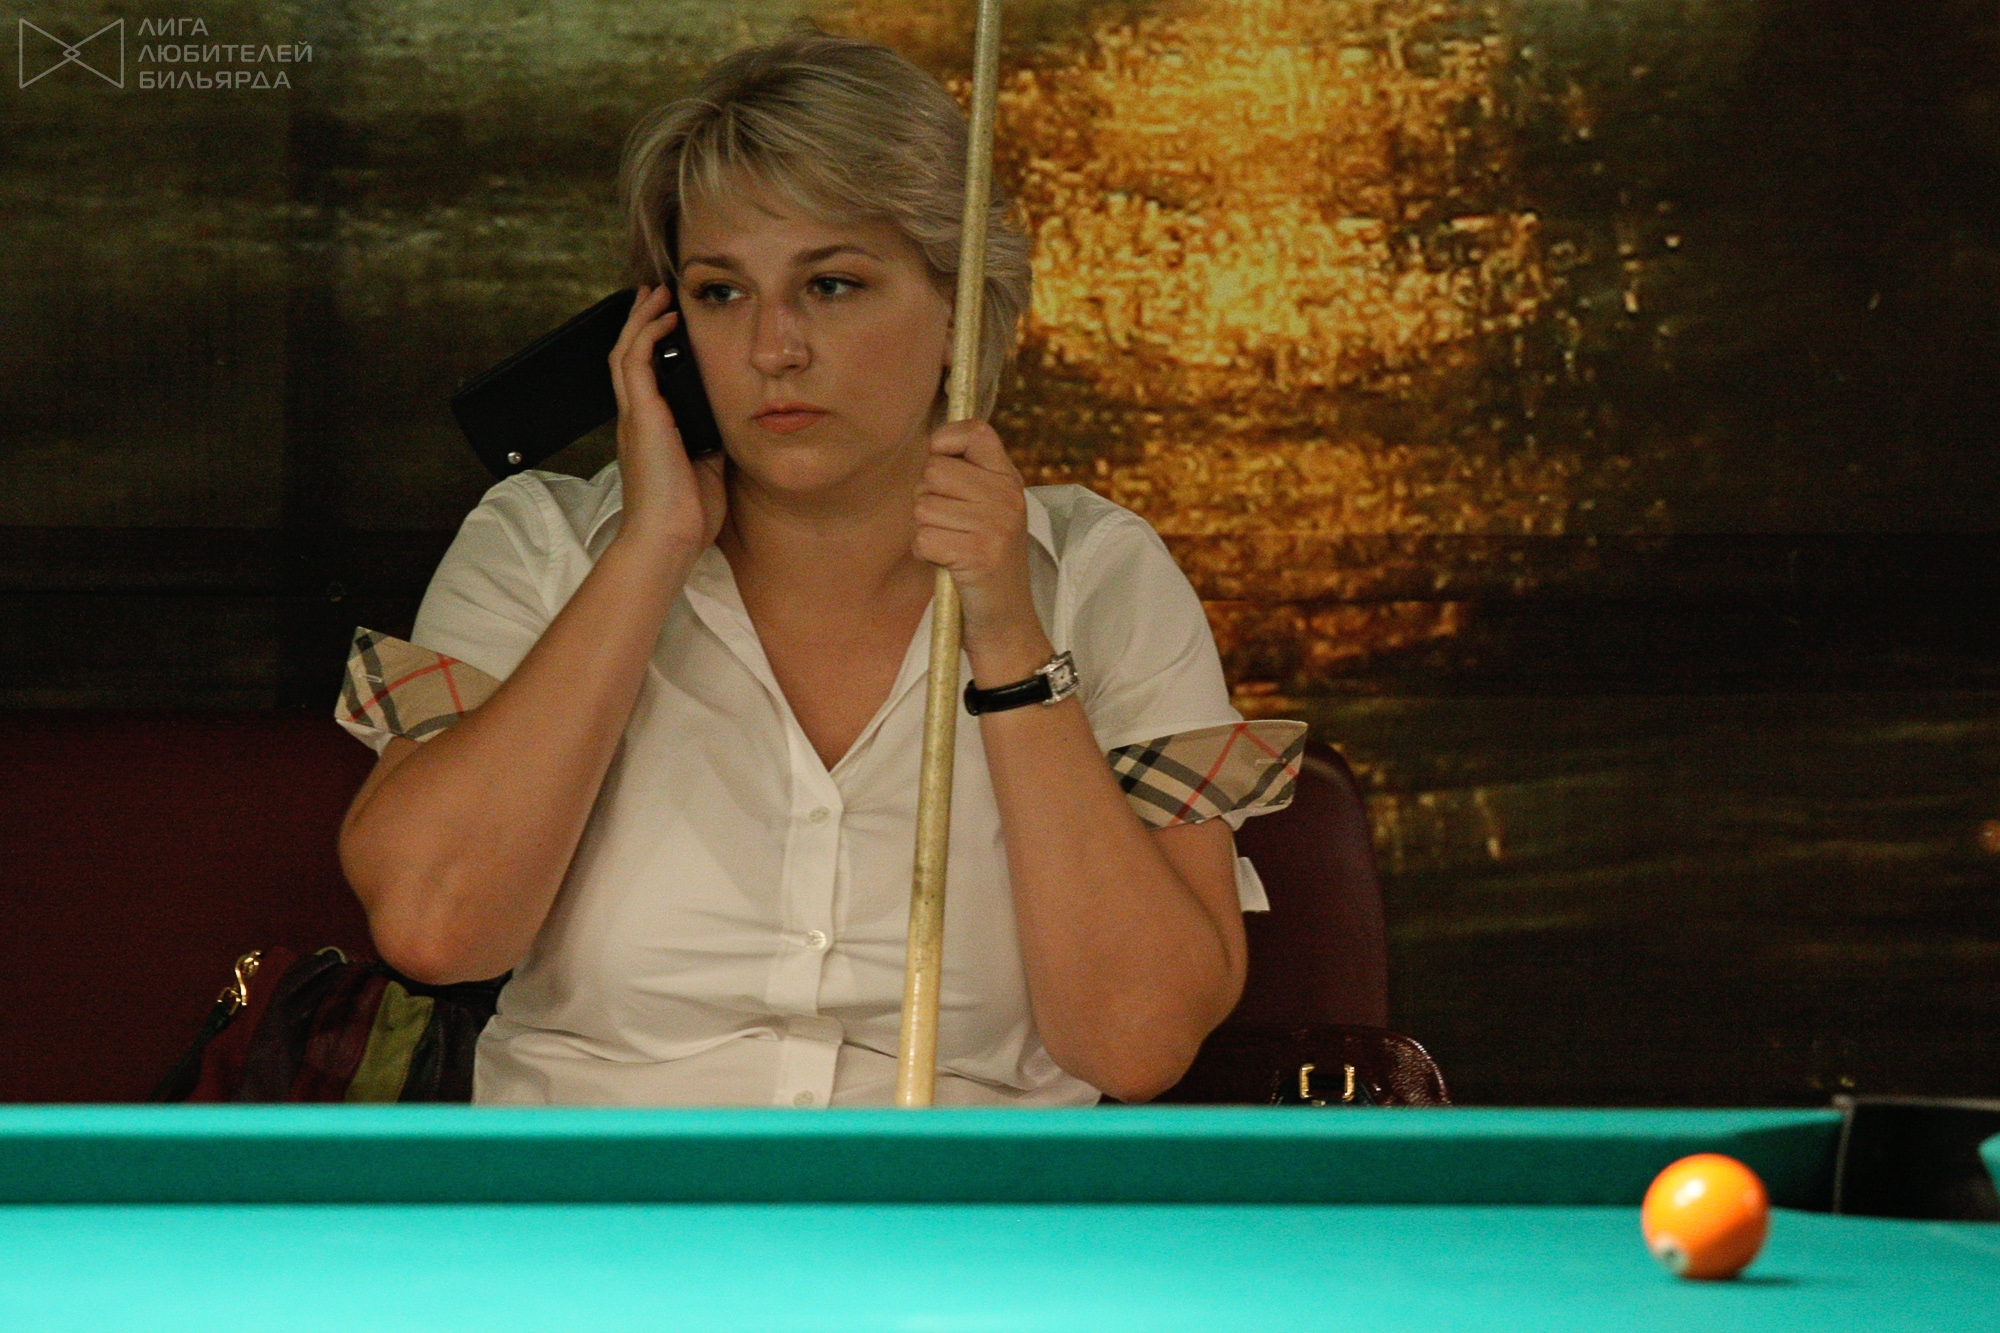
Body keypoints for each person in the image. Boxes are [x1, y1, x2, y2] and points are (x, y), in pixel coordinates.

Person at [334, 25, 1305, 1108]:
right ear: (661, 330)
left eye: (831, 284)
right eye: (721, 292)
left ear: (958, 306)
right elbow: (436, 928)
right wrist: (648, 552)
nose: (773, 348)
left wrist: (1009, 638)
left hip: (948, 1202)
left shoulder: (1097, 573)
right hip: (606, 1197)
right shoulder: (541, 545)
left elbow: (1134, 1043)